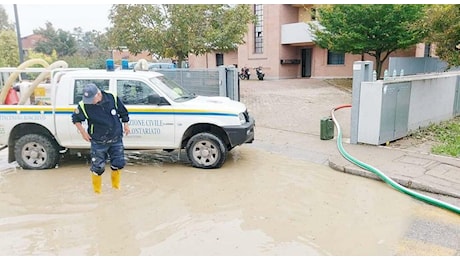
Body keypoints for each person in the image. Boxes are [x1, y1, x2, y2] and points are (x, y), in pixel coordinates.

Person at [72, 83, 130, 194]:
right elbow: (75, 119)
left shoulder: (112, 97)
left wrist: (126, 124)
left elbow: (123, 112)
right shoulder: (84, 105)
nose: (89, 102)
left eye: (91, 99)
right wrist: (83, 132)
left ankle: (115, 189)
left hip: (115, 137)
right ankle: (97, 193)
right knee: (98, 167)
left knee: (118, 163)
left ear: (98, 94)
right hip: (98, 141)